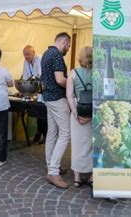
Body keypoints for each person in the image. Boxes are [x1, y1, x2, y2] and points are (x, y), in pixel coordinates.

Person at [40, 32, 72, 189]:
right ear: (64, 42)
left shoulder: (46, 53)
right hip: (57, 99)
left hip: (48, 97)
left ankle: (51, 166)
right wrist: (73, 85)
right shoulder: (57, 55)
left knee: (52, 132)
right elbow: (60, 80)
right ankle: (53, 171)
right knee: (66, 133)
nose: (68, 48)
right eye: (69, 45)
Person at [67, 46, 93, 188]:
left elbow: (69, 95)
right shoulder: (98, 74)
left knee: (77, 145)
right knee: (91, 145)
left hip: (78, 109)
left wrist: (75, 113)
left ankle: (77, 177)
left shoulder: (73, 73)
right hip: (92, 112)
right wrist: (91, 117)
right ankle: (91, 176)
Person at [22, 45, 47, 144]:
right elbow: (25, 77)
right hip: (36, 89)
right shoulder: (26, 62)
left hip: (43, 89)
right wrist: (24, 90)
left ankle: (45, 135)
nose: (26, 57)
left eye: (27, 54)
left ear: (33, 52)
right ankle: (39, 132)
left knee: (43, 113)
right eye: (24, 55)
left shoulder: (40, 59)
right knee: (37, 112)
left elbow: (41, 76)